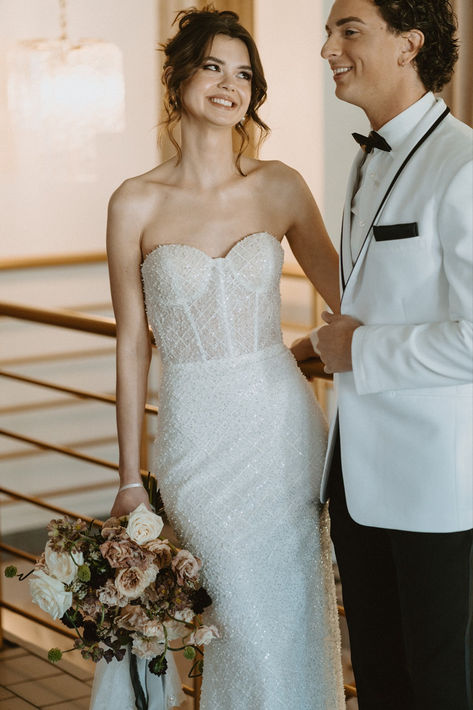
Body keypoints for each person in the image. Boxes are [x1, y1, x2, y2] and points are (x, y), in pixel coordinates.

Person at [104, 6, 345, 709]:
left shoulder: (280, 185)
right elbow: (130, 342)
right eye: (211, 65)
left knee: (290, 613)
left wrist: (301, 351)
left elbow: (350, 299)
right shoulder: (134, 202)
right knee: (236, 616)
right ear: (178, 76)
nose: (227, 84)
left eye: (243, 73)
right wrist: (128, 477)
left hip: (279, 428)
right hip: (194, 436)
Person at [293, 1, 473, 708]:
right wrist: (313, 349)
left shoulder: (463, 164)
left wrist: (357, 349)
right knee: (379, 677)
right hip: (356, 479)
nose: (327, 49)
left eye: (348, 31)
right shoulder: (365, 160)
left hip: (434, 487)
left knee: (440, 686)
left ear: (408, 44)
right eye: (327, 32)